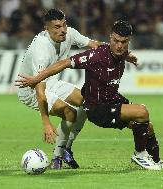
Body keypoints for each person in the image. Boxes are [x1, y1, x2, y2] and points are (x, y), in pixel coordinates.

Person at [16, 20, 163, 170]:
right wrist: (38, 77)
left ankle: (157, 160)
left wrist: (128, 56)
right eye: (115, 41)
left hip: (112, 100)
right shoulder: (96, 56)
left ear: (128, 40)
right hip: (99, 109)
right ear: (110, 38)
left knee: (146, 126)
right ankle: (139, 155)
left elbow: (121, 51)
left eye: (123, 42)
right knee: (142, 111)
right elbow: (64, 63)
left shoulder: (121, 51)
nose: (119, 46)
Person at [17, 9, 103, 169]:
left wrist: (122, 53)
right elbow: (39, 90)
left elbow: (96, 45)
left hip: (50, 81)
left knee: (86, 101)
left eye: (63, 25)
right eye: (56, 27)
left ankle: (66, 148)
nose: (62, 30)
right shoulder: (41, 50)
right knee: (69, 112)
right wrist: (46, 123)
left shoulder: (69, 33)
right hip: (30, 89)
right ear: (46, 29)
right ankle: (57, 157)